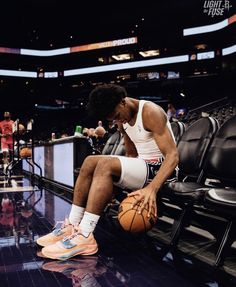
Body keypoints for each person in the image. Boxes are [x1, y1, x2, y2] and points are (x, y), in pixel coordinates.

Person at [37, 84, 179, 260]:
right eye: (114, 119)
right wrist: (119, 181)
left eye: (118, 116)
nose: (120, 121)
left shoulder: (150, 111)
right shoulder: (122, 121)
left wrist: (152, 189)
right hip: (143, 166)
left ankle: (86, 235)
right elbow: (131, 155)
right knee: (89, 162)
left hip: (163, 169)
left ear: (123, 102)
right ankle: (72, 225)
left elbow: (173, 156)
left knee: (105, 164)